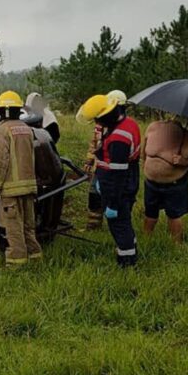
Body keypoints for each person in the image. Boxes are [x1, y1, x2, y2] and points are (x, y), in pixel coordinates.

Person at [78, 94, 141, 267]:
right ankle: (131, 247)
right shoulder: (128, 123)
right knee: (125, 222)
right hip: (127, 178)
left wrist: (113, 202)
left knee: (118, 224)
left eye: (98, 119)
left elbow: (118, 174)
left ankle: (127, 262)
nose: (97, 123)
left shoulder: (119, 138)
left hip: (119, 185)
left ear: (106, 115)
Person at [0, 90, 41, 267]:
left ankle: (16, 264)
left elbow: (0, 162)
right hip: (29, 187)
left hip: (11, 188)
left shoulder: (2, 131)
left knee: (13, 228)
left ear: (2, 111)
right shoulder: (27, 130)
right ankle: (35, 258)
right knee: (28, 226)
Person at [141, 118, 188, 243]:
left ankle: (177, 246)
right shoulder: (152, 127)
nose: (169, 120)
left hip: (174, 185)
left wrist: (184, 161)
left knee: (174, 215)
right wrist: (145, 165)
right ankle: (146, 241)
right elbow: (144, 151)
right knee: (150, 213)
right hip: (151, 182)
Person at [81, 90, 128, 230]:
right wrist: (89, 161)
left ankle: (116, 225)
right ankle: (93, 226)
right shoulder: (100, 125)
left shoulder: (123, 127)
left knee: (113, 197)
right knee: (94, 194)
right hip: (99, 166)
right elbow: (94, 143)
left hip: (115, 168)